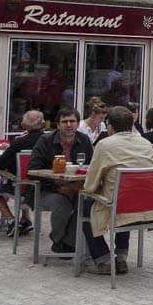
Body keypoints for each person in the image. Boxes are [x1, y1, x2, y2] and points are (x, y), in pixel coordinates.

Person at [81, 106, 153, 275]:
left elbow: (89, 186)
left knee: (84, 203)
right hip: (149, 207)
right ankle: (121, 256)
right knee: (127, 197)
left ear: (109, 126)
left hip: (120, 206)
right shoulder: (146, 143)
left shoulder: (105, 145)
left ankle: (102, 259)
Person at [29, 107, 93, 255]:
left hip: (76, 187)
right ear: (58, 125)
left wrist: (77, 186)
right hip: (46, 189)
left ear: (78, 124)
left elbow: (91, 166)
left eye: (72, 121)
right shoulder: (45, 140)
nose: (69, 125)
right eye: (65, 122)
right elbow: (33, 171)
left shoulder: (84, 140)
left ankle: (66, 243)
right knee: (62, 204)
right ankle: (58, 240)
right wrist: (57, 187)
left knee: (87, 204)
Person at [0, 109, 44, 236]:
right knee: (24, 179)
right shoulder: (48, 140)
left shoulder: (20, 142)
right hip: (41, 186)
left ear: (23, 125)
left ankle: (12, 220)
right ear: (42, 124)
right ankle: (25, 219)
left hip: (21, 187)